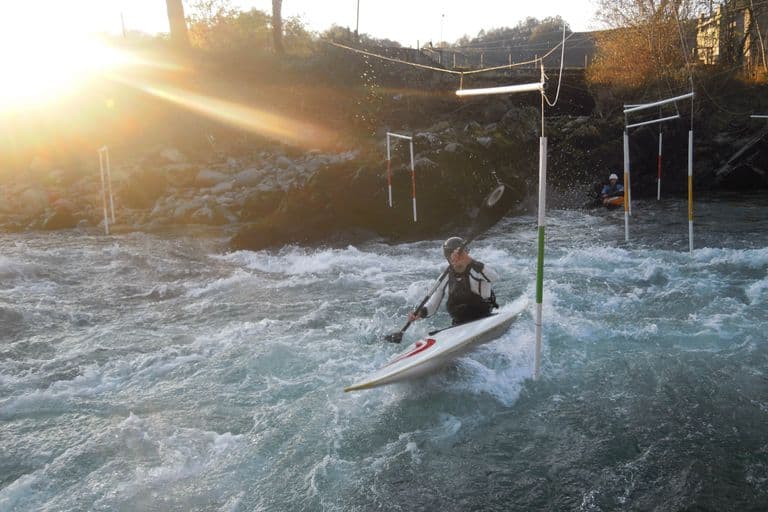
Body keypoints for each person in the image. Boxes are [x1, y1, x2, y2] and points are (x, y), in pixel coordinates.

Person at [408, 236, 499, 326]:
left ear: (466, 253)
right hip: (460, 322)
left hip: (484, 316)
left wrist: (470, 261)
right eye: (451, 255)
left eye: (460, 255)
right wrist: (420, 313)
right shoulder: (444, 277)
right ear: (448, 257)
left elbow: (494, 277)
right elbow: (432, 305)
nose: (457, 259)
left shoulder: (478, 269)